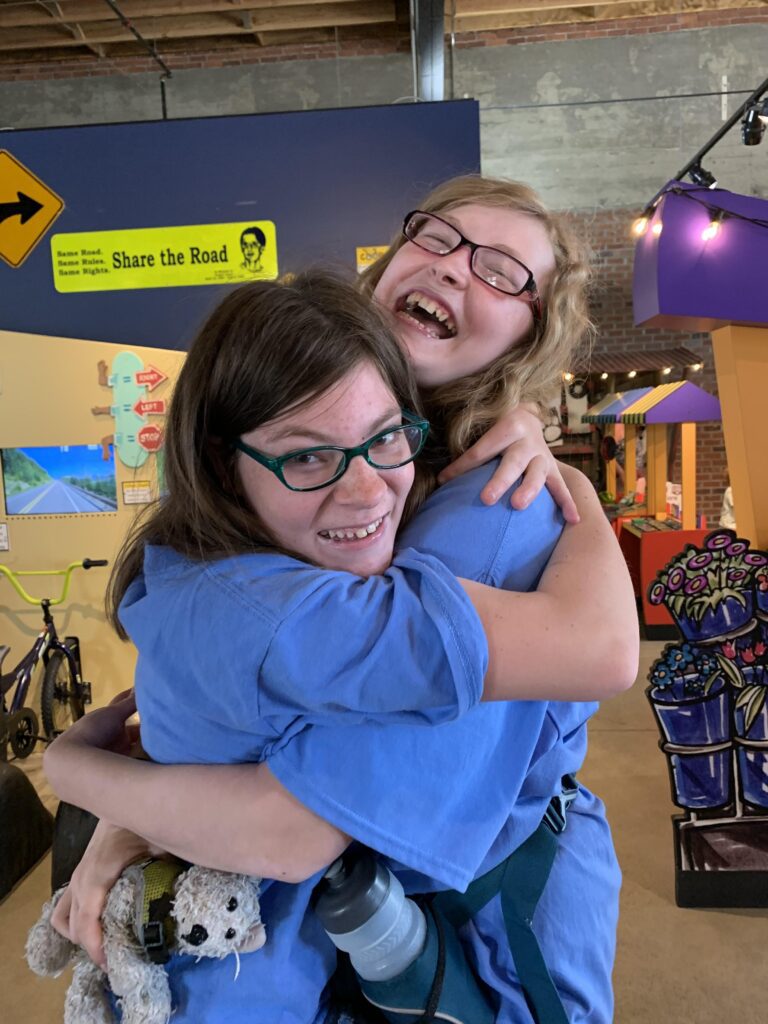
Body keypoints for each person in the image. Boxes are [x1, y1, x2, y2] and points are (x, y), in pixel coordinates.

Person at [45, 178, 638, 1023]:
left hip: (488, 923)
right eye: (438, 237)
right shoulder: (342, 463)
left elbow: (301, 817)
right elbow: (228, 698)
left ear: (529, 341)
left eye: (504, 271)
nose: (456, 270)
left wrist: (88, 779)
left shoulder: (494, 513)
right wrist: (129, 817)